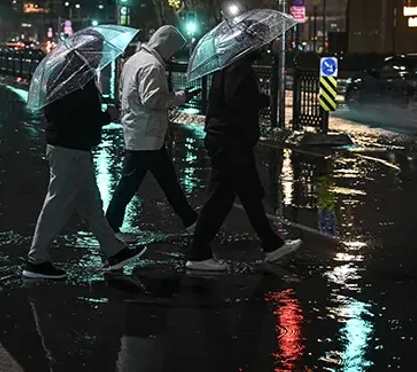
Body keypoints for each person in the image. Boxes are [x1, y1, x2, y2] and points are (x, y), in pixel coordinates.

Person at [23, 53, 147, 280]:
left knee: (91, 205)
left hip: (72, 148)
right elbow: (78, 117)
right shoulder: (75, 78)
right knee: (57, 205)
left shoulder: (66, 74)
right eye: (97, 54)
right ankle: (36, 259)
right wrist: (106, 116)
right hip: (70, 150)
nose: (99, 59)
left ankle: (115, 251)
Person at [186, 50, 301, 271]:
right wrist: (262, 99)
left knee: (250, 194)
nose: (263, 48)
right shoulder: (237, 65)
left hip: (231, 140)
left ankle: (272, 245)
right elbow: (236, 100)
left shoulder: (231, 63)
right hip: (230, 141)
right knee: (220, 199)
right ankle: (198, 254)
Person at [106, 26, 199, 235]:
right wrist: (180, 97)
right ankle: (110, 226)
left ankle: (190, 220)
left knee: (165, 181)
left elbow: (124, 92)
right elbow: (153, 99)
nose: (172, 54)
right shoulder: (152, 66)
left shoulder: (134, 60)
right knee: (132, 183)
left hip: (138, 130)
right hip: (147, 133)